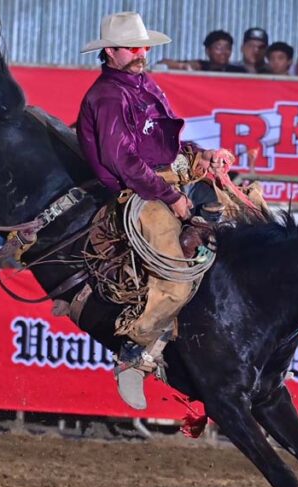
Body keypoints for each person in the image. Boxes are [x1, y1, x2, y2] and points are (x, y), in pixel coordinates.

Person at [77, 12, 229, 409]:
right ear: (111, 52)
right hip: (137, 193)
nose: (141, 54)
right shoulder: (107, 96)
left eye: (144, 47)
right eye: (133, 48)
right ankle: (133, 350)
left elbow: (165, 144)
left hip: (165, 181)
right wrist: (173, 197)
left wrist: (202, 156)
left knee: (236, 224)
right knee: (177, 279)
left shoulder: (144, 84)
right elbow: (124, 162)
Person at [158, 30, 246, 73]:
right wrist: (182, 66)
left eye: (227, 48)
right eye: (218, 48)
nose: (224, 52)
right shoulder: (199, 66)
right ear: (208, 50)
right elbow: (162, 63)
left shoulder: (238, 71)